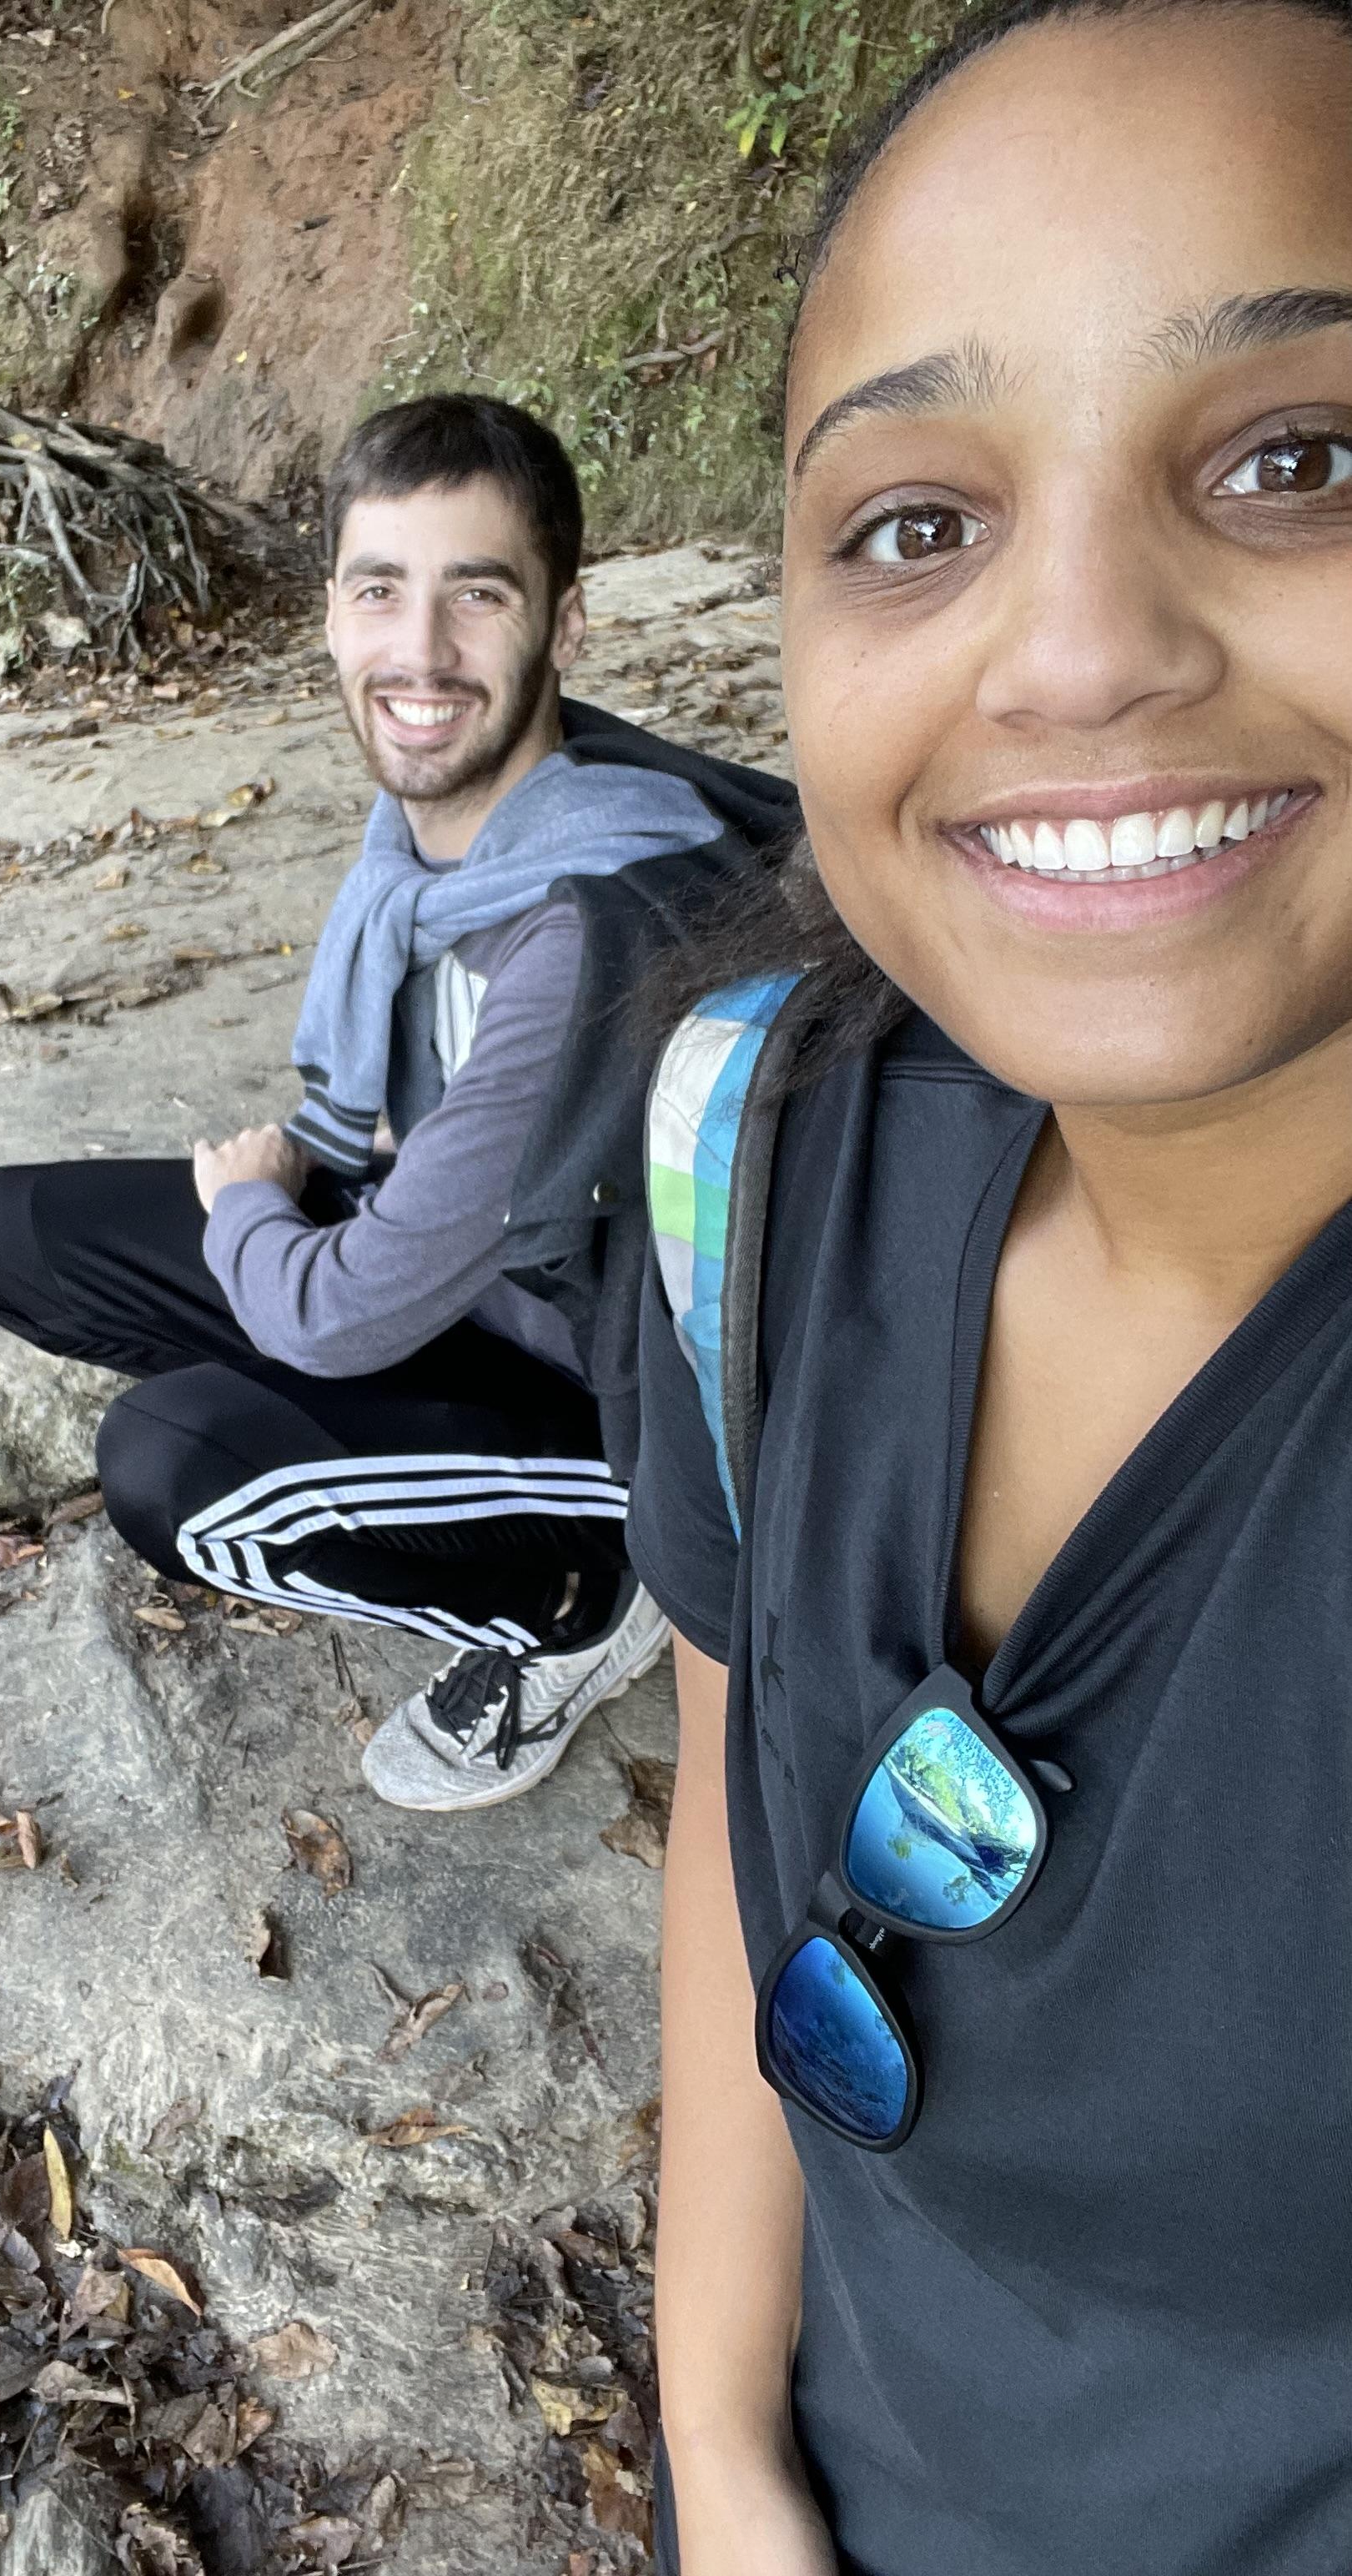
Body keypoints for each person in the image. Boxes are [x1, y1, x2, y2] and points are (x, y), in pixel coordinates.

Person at [632, 1, 1352, 2568]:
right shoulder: (758, 1142)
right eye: (915, 522)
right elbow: (733, 1795)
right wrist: (717, 2448)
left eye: (1295, 461)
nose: (1072, 654)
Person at [0, 395, 797, 1810]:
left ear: (565, 626)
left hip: (629, 1404)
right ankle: (385, 1455)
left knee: (172, 1466)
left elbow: (339, 1314)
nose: (422, 652)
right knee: (4, 1233)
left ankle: (575, 1598)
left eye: (479, 595)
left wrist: (249, 1215)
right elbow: (390, 1140)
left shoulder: (588, 921)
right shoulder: (435, 826)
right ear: (331, 615)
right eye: (380, 590)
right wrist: (345, 1184)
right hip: (483, 1275)